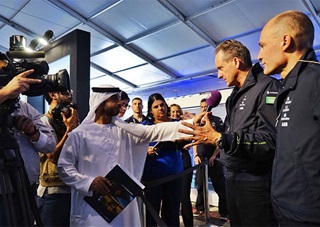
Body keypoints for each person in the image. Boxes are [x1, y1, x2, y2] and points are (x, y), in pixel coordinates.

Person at [57, 85, 192, 227]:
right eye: (115, 99)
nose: (120, 103)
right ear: (101, 102)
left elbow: (156, 131)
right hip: (90, 210)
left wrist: (193, 123)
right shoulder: (79, 134)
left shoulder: (126, 131)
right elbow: (64, 167)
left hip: (122, 209)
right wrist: (89, 182)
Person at [179, 39, 279, 226]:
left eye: (221, 68)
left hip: (255, 184)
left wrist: (218, 139)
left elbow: (269, 141)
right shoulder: (234, 95)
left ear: (236, 61)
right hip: (232, 178)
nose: (218, 75)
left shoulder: (267, 87)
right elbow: (231, 133)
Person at [258, 10, 320, 226]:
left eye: (263, 45)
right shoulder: (288, 87)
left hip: (307, 215)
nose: (259, 55)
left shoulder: (316, 80)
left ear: (285, 41)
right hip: (286, 208)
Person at [0, 69, 56, 225]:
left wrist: (33, 132)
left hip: (26, 190)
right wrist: (4, 93)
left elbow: (50, 145)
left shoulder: (23, 107)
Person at [141, 94, 184, 227]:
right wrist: (145, 151)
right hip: (153, 178)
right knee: (151, 214)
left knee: (172, 213)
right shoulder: (145, 126)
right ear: (150, 111)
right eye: (156, 107)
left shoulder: (176, 124)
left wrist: (182, 140)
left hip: (175, 175)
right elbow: (134, 148)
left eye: (162, 105)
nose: (160, 108)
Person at [37, 89, 78, 226]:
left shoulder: (70, 119)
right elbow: (53, 156)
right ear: (52, 94)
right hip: (53, 193)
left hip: (71, 188)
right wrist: (69, 130)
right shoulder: (43, 120)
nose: (69, 96)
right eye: (65, 92)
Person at [192, 99, 228, 220]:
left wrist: (214, 155)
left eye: (206, 106)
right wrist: (196, 155)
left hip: (215, 159)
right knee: (200, 186)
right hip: (201, 160)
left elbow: (221, 140)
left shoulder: (217, 120)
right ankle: (200, 208)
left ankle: (224, 211)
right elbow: (194, 141)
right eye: (202, 107)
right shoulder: (197, 122)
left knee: (220, 186)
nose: (204, 109)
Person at [170, 103, 193, 227]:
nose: (175, 114)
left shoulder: (185, 125)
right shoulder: (166, 126)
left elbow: (188, 141)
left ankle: (189, 224)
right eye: (172, 112)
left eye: (177, 111)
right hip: (170, 167)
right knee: (171, 200)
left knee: (185, 198)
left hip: (184, 164)